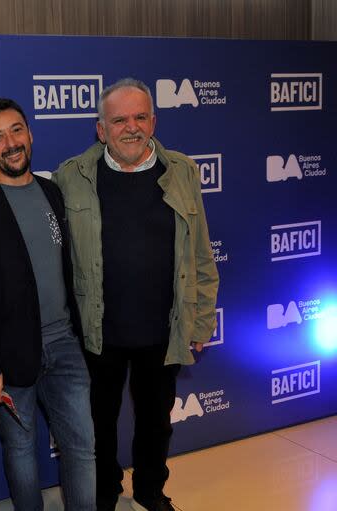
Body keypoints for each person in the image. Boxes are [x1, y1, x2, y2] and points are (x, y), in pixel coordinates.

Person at [52, 78, 220, 511]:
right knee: (99, 423)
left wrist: (201, 320)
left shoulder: (182, 171)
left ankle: (150, 490)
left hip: (163, 327)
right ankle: (105, 492)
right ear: (100, 129)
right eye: (120, 119)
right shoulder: (72, 176)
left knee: (155, 422)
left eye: (140, 117)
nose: (131, 127)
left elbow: (201, 253)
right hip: (97, 330)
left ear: (154, 122)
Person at [0, 98, 95, 511]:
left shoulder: (53, 192)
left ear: (30, 134)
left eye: (16, 131)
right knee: (20, 451)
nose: (10, 143)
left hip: (66, 345)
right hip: (8, 355)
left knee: (82, 448)